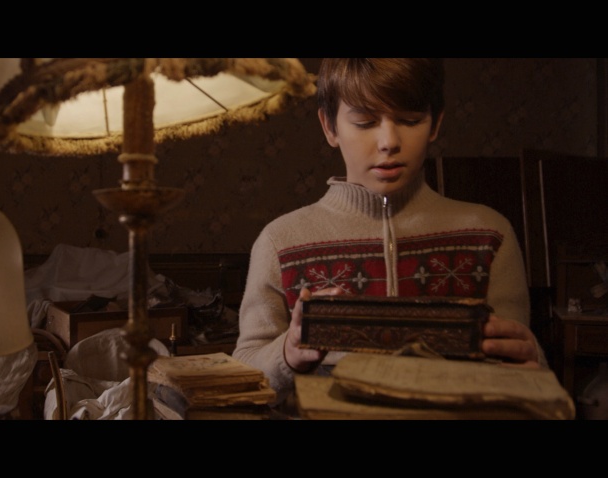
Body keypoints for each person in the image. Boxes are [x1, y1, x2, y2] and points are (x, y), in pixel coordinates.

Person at [232, 58, 547, 397]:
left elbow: (519, 363)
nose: (389, 142)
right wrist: (287, 352)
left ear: (435, 123)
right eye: (365, 122)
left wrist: (533, 366)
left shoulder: (489, 234)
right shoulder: (280, 241)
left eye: (410, 120)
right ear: (330, 127)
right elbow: (245, 367)